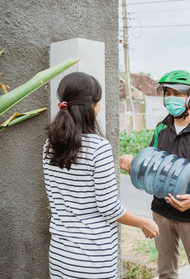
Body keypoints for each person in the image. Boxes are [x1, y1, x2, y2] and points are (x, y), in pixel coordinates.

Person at [43, 72, 159, 279]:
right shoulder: (99, 147)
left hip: (60, 256)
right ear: (92, 106)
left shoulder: (49, 146)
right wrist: (144, 222)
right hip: (92, 259)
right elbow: (108, 207)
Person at [120, 70, 190, 279]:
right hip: (162, 212)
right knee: (166, 272)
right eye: (169, 92)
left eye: (179, 93)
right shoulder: (161, 129)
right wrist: (134, 166)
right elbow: (152, 165)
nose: (172, 97)